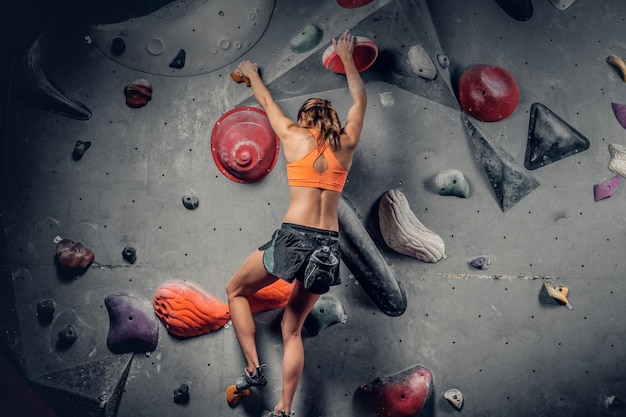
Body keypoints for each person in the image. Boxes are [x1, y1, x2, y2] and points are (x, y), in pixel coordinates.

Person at [226, 29, 367, 417]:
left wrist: (252, 73)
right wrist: (347, 57)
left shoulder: (292, 136)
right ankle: (284, 410)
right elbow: (360, 99)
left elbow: (266, 101)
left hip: (294, 238)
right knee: (291, 329)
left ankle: (254, 370)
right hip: (327, 247)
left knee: (236, 290)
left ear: (304, 119)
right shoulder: (348, 141)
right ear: (334, 120)